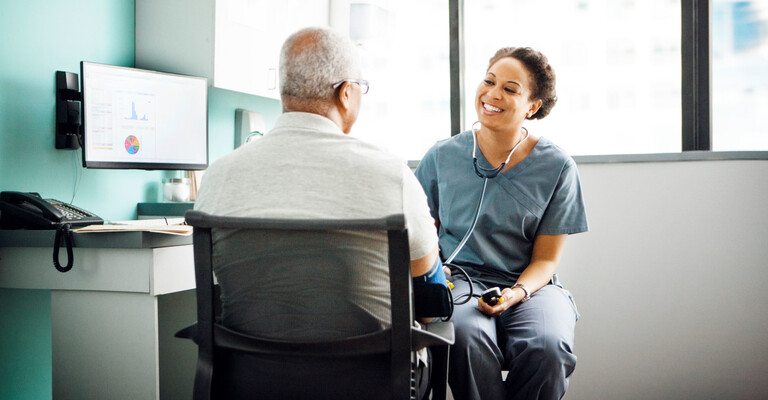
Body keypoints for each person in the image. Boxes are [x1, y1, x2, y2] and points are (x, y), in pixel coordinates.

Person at [194, 27, 442, 399]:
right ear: (346, 93)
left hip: (250, 382)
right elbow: (427, 286)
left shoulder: (218, 176)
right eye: (361, 86)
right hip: (373, 384)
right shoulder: (390, 174)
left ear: (284, 91)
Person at [415, 46, 588, 400]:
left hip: (531, 289)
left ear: (532, 106)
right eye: (489, 81)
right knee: (464, 339)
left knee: (548, 346)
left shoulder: (557, 167)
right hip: (462, 284)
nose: (493, 94)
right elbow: (418, 233)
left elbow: (546, 260)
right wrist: (433, 271)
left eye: (510, 89)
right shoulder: (442, 156)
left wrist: (516, 293)